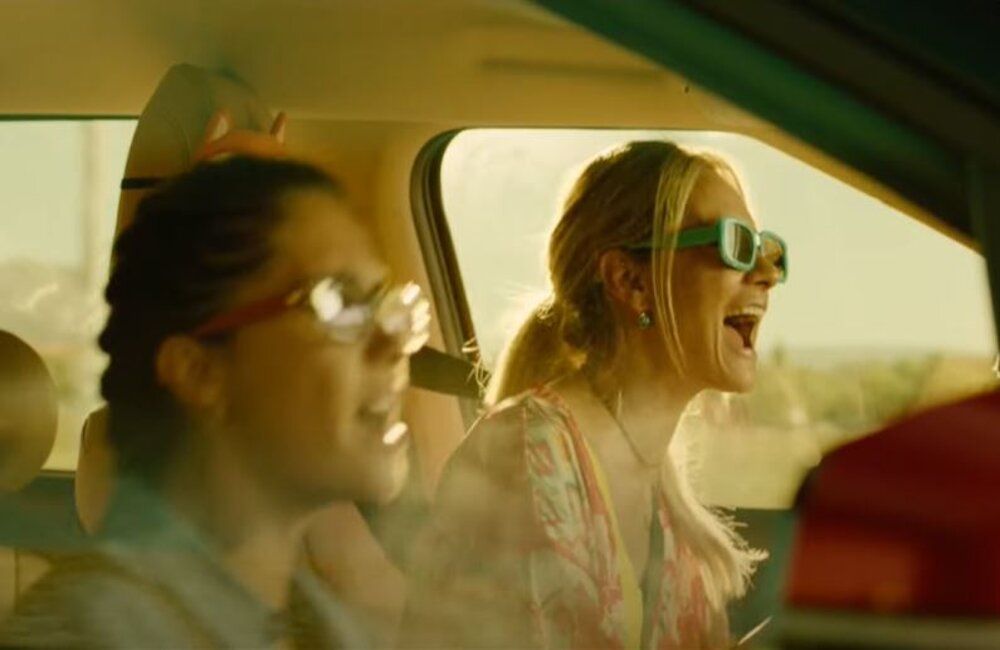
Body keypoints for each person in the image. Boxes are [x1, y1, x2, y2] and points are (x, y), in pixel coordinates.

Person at [1, 155, 431, 648]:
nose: (395, 344)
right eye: (338, 303)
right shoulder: (94, 631)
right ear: (200, 372)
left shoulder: (304, 613)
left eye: (390, 306)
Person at [402, 140, 786, 649]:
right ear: (630, 281)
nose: (766, 275)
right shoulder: (533, 456)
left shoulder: (665, 499)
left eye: (767, 251)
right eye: (736, 244)